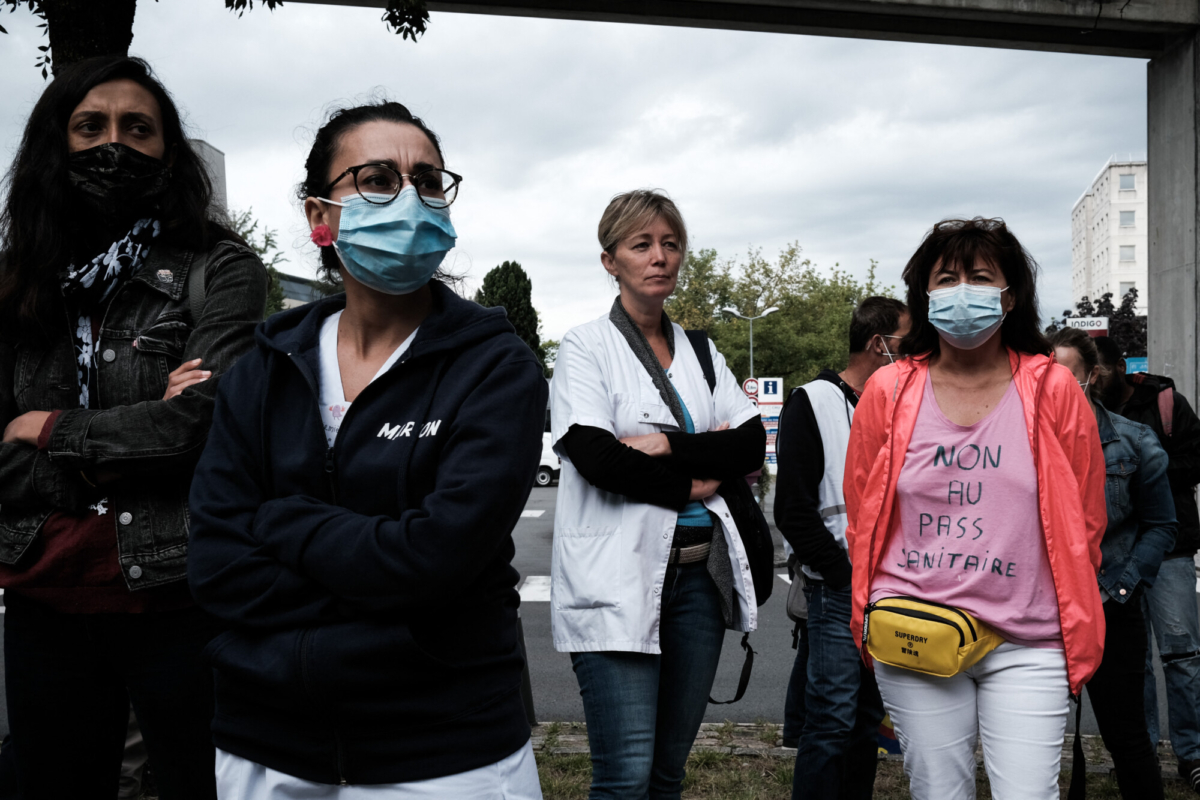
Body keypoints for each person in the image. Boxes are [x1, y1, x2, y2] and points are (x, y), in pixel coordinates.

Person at [187, 100, 547, 798]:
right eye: (377, 179)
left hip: (447, 750)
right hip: (268, 746)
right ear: (320, 217)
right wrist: (378, 571)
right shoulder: (261, 370)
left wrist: (281, 520)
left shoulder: (496, 368)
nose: (410, 198)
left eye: (429, 181)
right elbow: (216, 566)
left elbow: (436, 560)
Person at [0, 55, 268, 799]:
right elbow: (170, 431)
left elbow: (202, 424)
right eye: (90, 126)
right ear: (55, 145)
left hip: (181, 593)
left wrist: (44, 429)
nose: (112, 145)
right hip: (43, 596)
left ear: (167, 150)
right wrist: (137, 435)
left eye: (137, 129)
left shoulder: (219, 268)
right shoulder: (15, 284)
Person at [844, 218, 1107, 800]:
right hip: (914, 630)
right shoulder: (887, 391)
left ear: (1010, 297)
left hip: (1029, 638)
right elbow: (863, 509)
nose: (963, 291)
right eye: (946, 278)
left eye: (981, 277)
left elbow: (1085, 518)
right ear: (925, 294)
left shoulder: (1054, 389)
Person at [550, 189, 765, 799]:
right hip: (616, 580)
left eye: (671, 244)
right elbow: (596, 458)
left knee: (668, 771)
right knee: (625, 775)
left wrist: (667, 446)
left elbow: (749, 446)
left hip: (700, 581)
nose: (660, 257)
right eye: (641, 244)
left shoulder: (700, 350)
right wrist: (693, 474)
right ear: (610, 260)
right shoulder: (585, 347)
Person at [776, 296, 908, 798]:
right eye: (908, 342)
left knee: (867, 723)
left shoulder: (902, 403)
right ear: (880, 345)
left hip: (892, 587)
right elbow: (793, 509)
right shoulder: (813, 401)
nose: (917, 353)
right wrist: (843, 574)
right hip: (839, 588)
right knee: (831, 721)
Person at [1048, 326, 1175, 799]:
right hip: (1040, 612)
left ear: (1092, 376)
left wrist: (1120, 589)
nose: (1056, 388)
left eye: (1067, 376)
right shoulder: (1023, 442)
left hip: (1109, 607)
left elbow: (1162, 525)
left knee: (1126, 737)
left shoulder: (1133, 441)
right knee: (1035, 738)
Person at [1092, 336, 1200, 792]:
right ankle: (1137, 749)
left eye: (1099, 369)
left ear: (1121, 366)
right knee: (1131, 663)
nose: (1093, 379)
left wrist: (1142, 465)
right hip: (1116, 558)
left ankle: (1192, 753)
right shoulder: (1082, 420)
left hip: (1167, 549)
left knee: (1181, 653)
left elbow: (1195, 460)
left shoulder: (1165, 403)